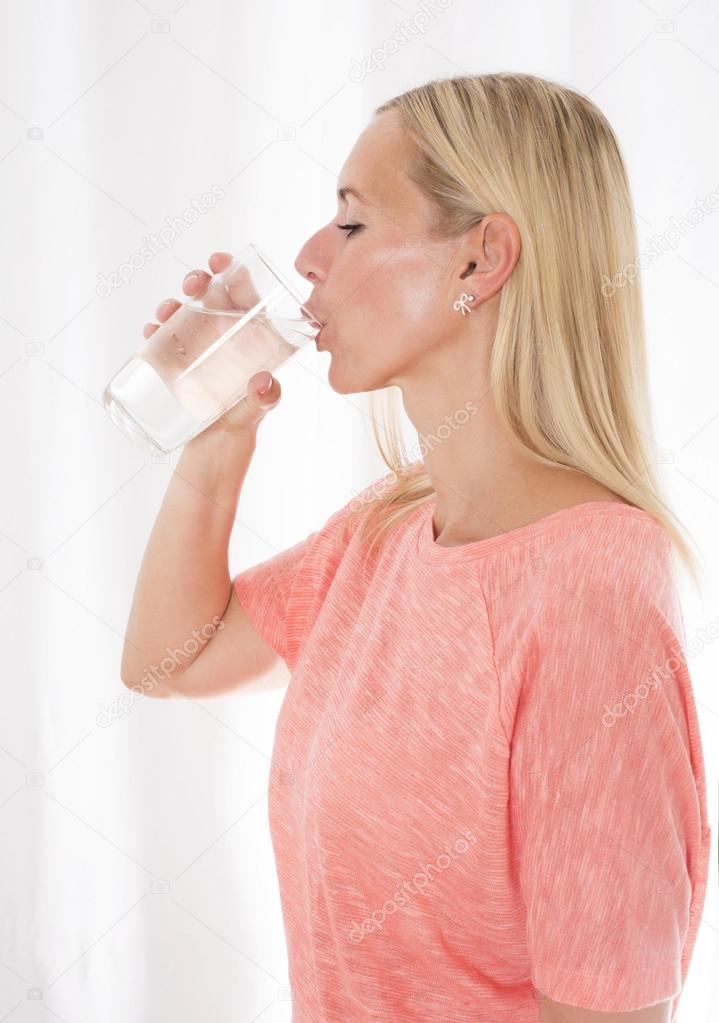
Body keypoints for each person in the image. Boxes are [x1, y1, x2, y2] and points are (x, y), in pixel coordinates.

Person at [120, 72, 710, 1023]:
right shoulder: (385, 533)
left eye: (351, 223)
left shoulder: (590, 585)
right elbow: (163, 661)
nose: (308, 257)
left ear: (482, 262)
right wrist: (214, 448)